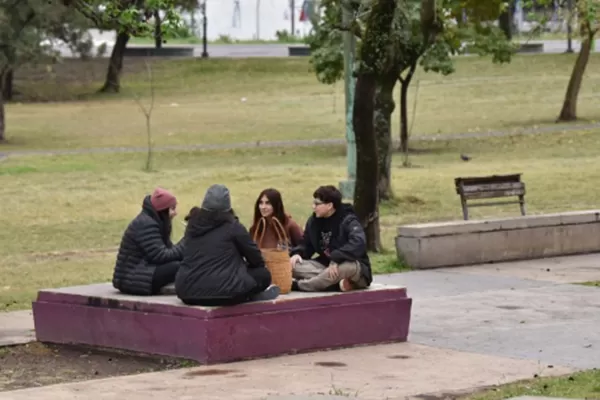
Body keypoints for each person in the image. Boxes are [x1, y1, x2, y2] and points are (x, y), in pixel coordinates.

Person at [175, 184, 280, 306]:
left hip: (187, 292)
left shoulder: (192, 226)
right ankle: (249, 296)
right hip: (225, 293)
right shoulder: (233, 226)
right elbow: (256, 259)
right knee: (263, 275)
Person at [289, 185, 373, 292]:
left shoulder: (348, 220)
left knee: (344, 268)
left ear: (329, 205)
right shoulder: (314, 221)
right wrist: (298, 253)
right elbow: (306, 243)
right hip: (326, 265)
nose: (313, 207)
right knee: (292, 266)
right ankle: (334, 283)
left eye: (317, 204)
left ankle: (299, 285)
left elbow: (358, 243)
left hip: (352, 266)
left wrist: (336, 258)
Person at [113, 187, 184, 296]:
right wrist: (187, 241)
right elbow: (161, 256)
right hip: (132, 278)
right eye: (172, 208)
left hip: (140, 273)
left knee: (182, 264)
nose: (175, 213)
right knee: (178, 267)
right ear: (163, 210)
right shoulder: (146, 224)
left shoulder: (153, 221)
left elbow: (168, 251)